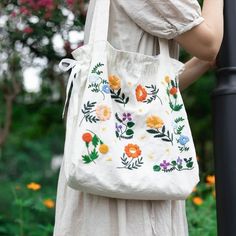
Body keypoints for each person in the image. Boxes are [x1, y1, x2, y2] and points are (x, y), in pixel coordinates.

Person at [53, 0, 224, 235]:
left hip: (105, 173)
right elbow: (209, 43)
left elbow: (148, 94)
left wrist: (203, 63)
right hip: (136, 194)